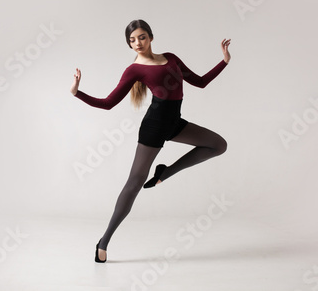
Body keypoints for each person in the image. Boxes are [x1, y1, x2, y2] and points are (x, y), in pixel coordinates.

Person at [70, 19, 231, 263]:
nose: (137, 43)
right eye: (132, 40)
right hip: (154, 127)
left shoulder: (172, 58)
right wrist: (77, 93)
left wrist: (224, 61)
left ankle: (164, 173)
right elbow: (108, 103)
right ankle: (103, 242)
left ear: (151, 37)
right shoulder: (134, 70)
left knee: (218, 144)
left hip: (174, 123)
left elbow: (199, 82)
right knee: (134, 183)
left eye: (141, 37)